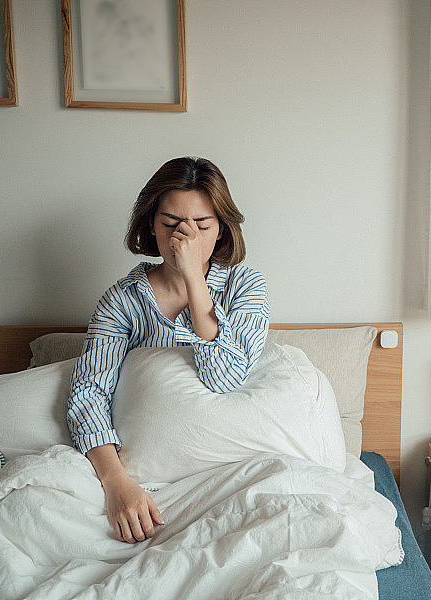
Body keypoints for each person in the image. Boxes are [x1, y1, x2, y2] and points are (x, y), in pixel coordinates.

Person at [66, 157, 269, 544]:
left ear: (221, 229)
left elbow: (224, 378)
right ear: (151, 226)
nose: (184, 237)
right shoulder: (122, 301)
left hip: (223, 470)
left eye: (201, 225)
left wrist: (194, 277)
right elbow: (88, 395)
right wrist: (116, 483)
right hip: (142, 474)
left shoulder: (247, 287)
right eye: (172, 224)